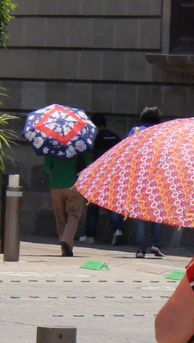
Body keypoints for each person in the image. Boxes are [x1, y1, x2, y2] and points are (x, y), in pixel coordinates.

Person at [78, 113, 124, 244]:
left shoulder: (95, 137)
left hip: (97, 176)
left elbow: (91, 156)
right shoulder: (115, 137)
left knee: (92, 205)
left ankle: (90, 235)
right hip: (114, 175)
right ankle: (118, 230)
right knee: (112, 204)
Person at [131, 107, 164, 258]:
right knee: (157, 212)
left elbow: (126, 151)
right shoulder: (163, 132)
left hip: (139, 177)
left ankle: (140, 249)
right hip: (158, 177)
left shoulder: (135, 131)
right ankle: (156, 244)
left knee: (140, 215)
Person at [44, 148, 89, 257]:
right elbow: (88, 165)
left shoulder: (52, 146)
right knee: (74, 214)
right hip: (75, 185)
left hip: (56, 185)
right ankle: (67, 240)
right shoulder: (81, 145)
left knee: (60, 216)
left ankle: (64, 246)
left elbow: (47, 168)